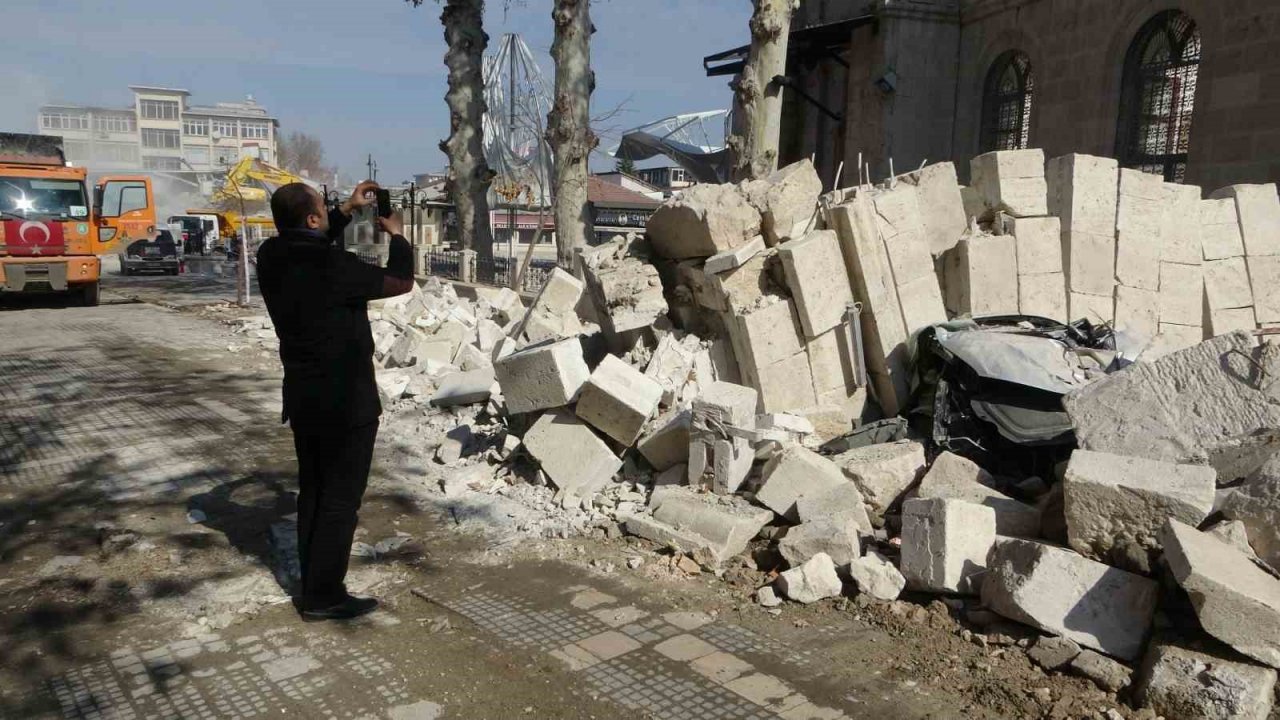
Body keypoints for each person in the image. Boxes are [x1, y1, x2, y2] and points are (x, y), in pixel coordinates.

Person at [256, 181, 414, 621]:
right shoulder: (334, 266)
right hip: (346, 401)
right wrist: (398, 236)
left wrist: (347, 209)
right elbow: (400, 281)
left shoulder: (270, 256)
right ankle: (324, 596)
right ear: (311, 219)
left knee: (314, 492)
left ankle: (314, 585)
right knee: (340, 500)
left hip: (303, 397)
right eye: (323, 209)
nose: (329, 213)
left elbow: (309, 243)